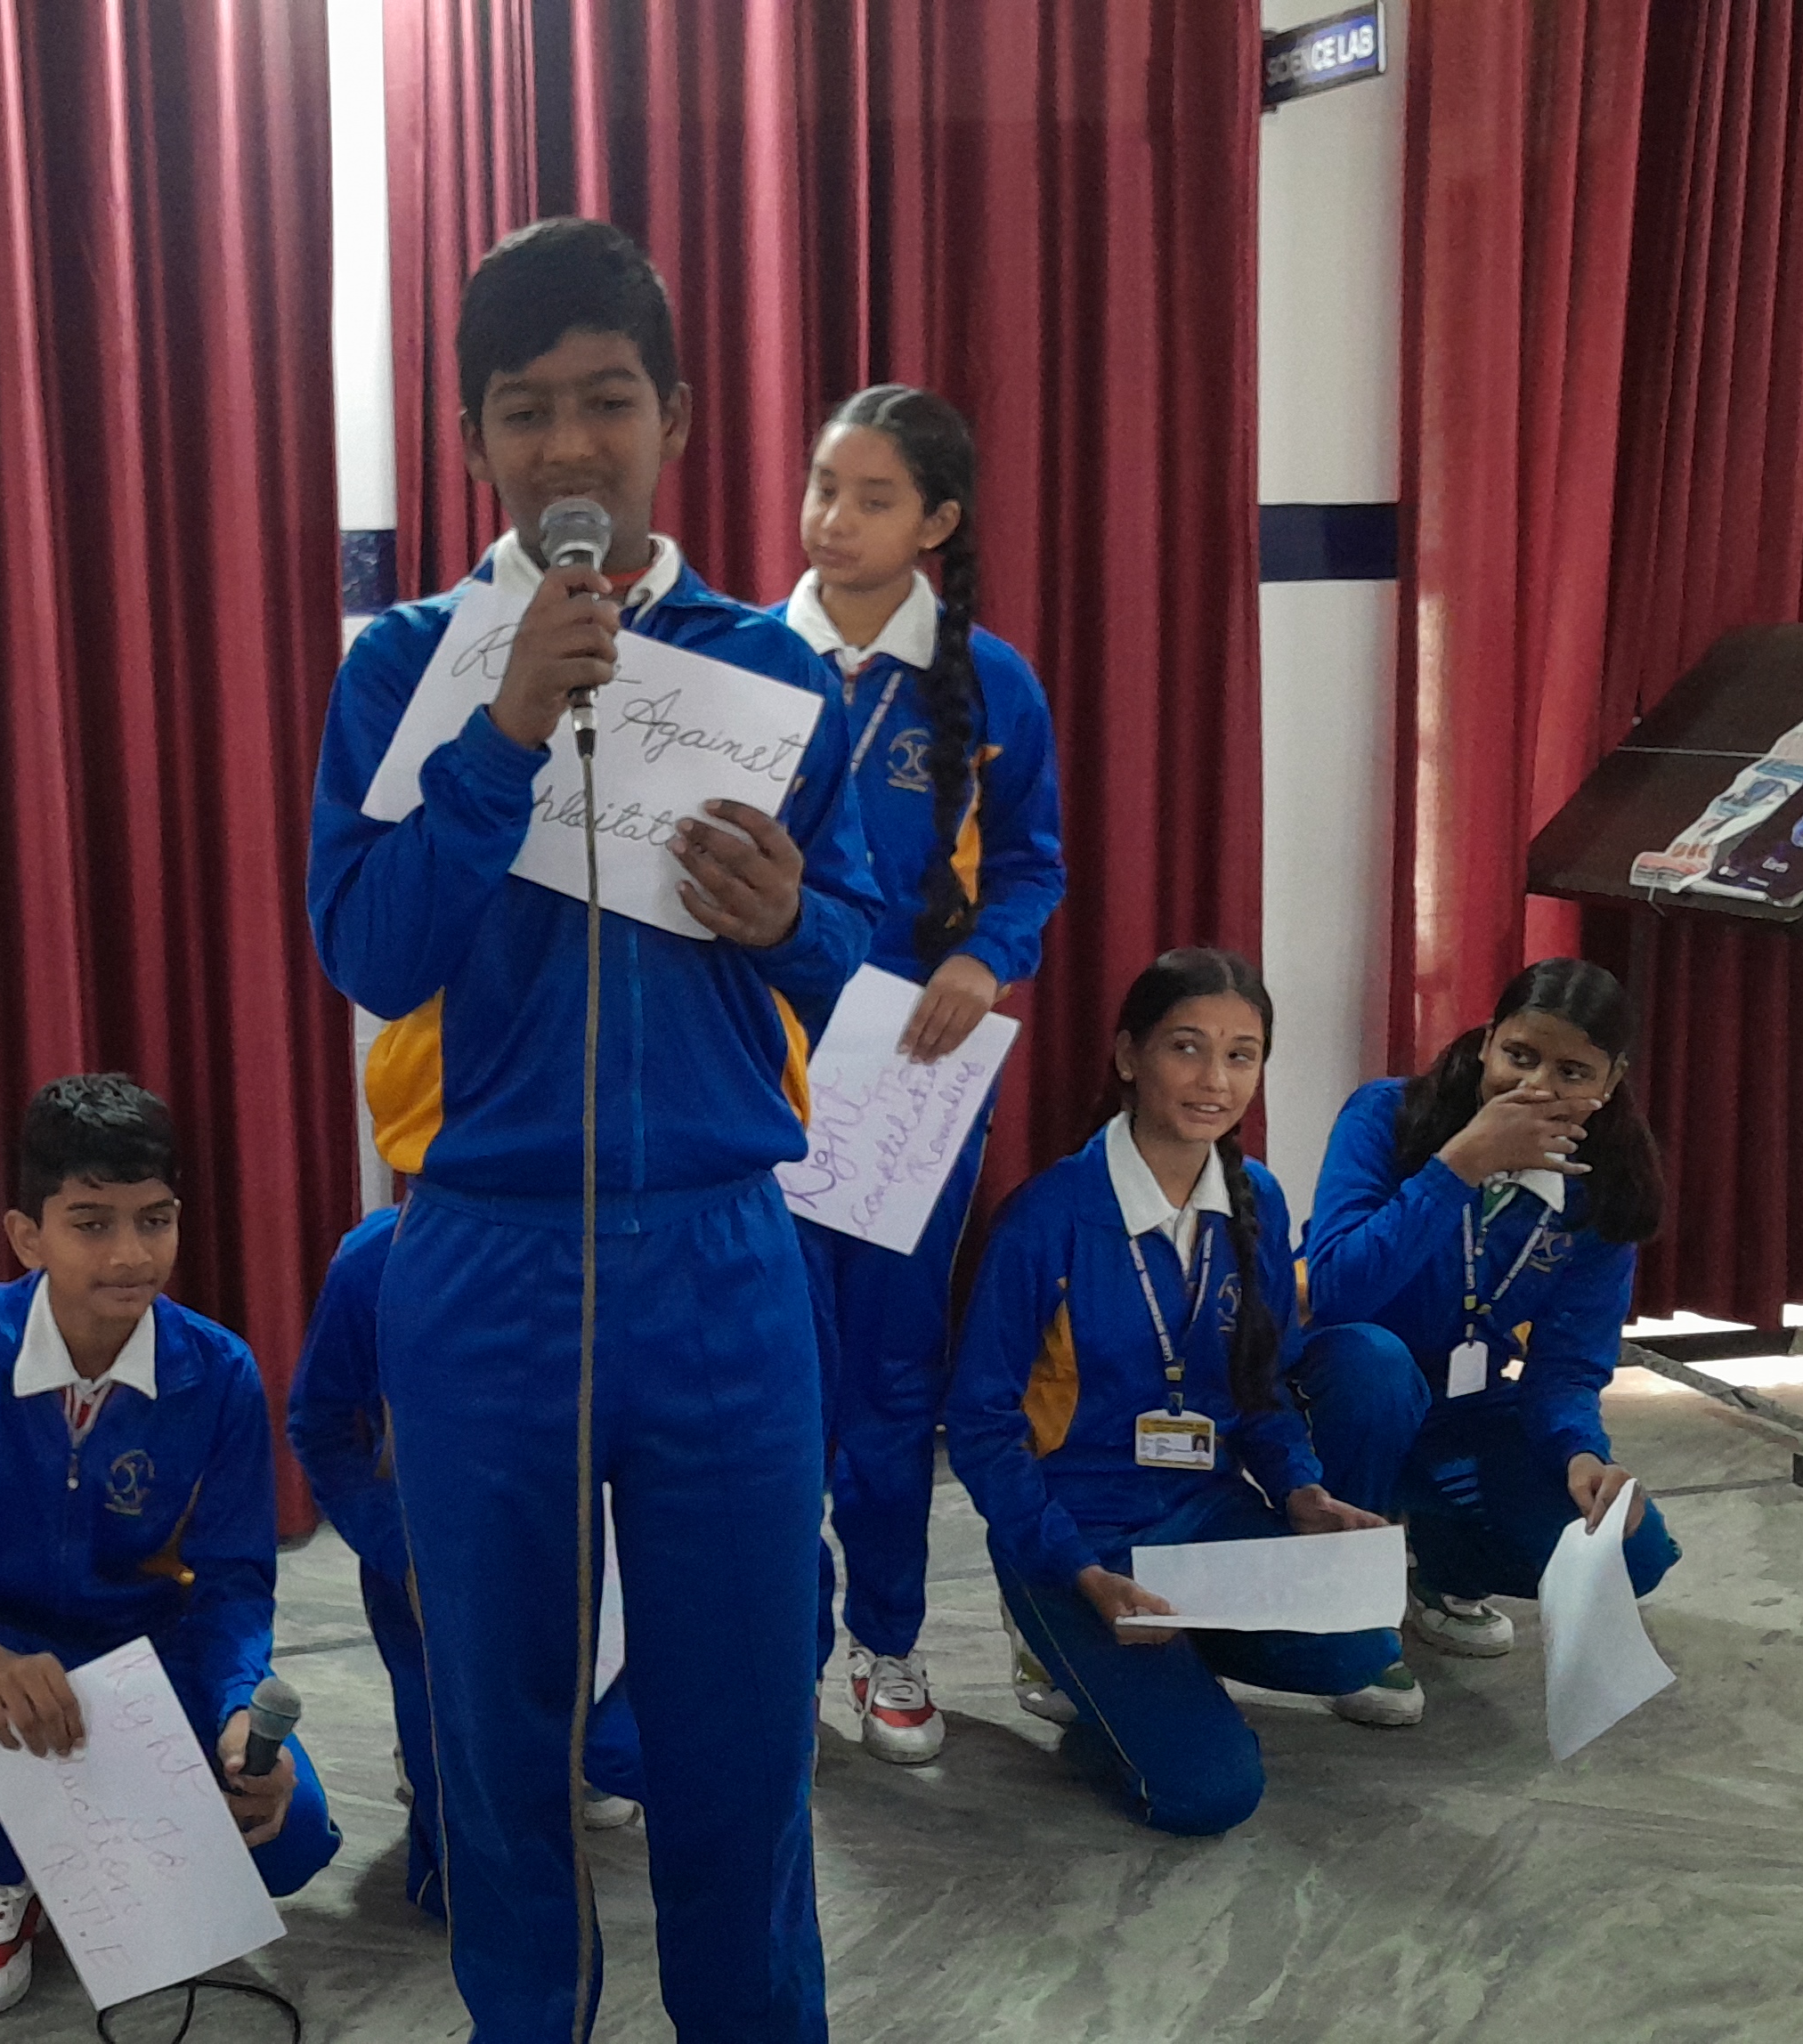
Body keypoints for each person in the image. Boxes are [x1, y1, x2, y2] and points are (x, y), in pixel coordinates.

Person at [306, 216, 880, 2041]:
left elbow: (861, 965)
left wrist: (793, 917)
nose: (570, 443)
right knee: (499, 1740)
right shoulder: (409, 663)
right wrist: (494, 738)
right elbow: (371, 952)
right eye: (527, 408)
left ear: (676, 417)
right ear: (475, 437)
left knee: (740, 1732)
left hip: (721, 1259)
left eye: (608, 400)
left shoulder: (771, 671)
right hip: (482, 1265)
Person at [0, 1075, 339, 2020]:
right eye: (91, 1224)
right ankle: (7, 1873)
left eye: (156, 1220)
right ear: (28, 1236)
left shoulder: (216, 1370)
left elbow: (233, 1579)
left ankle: (101, 1858)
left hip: (150, 1657)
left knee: (289, 1834)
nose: (131, 1254)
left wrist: (234, 1707)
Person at [946, 949, 1415, 1839]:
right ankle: (1064, 1646)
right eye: (1186, 1047)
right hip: (1079, 1536)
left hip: (1202, 1515)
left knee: (1362, 1649)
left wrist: (1301, 1492)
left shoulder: (1254, 1200)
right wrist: (1073, 1565)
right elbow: (981, 1426)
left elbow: (1264, 1386)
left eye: (1243, 1055)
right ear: (1129, 1055)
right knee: (1209, 1795)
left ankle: (1161, 1672)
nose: (1215, 1080)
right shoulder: (1048, 1219)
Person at [771, 384, 1068, 1761]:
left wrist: (983, 961)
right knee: (774, 1380)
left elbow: (1030, 866)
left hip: (911, 1080)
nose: (834, 519)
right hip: (760, 1071)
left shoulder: (992, 681)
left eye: (873, 497)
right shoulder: (740, 660)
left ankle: (886, 1642)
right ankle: (776, 1649)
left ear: (937, 522)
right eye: (824, 486)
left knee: (892, 1381)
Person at [1295, 957, 1681, 1658]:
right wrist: (1458, 1168)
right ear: (1487, 1041)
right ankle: (1344, 1611)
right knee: (1374, 1363)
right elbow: (1334, 1291)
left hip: (1461, 1407)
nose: (1537, 1088)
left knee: (1632, 1553)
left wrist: (1580, 1453)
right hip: (1344, 1393)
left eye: (1573, 1072)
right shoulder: (1386, 1115)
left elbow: (1568, 1366)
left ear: (1610, 1082)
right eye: (1519, 1056)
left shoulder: (1602, 1187)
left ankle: (1443, 1568)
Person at [285, 1204, 646, 1925]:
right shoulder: (376, 1260)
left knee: (642, 1755)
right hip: (438, 1568)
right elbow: (320, 1425)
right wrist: (398, 1547)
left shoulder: (634, 1240)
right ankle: (444, 1755)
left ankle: (581, 1754)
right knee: (475, 1892)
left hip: (606, 1556)